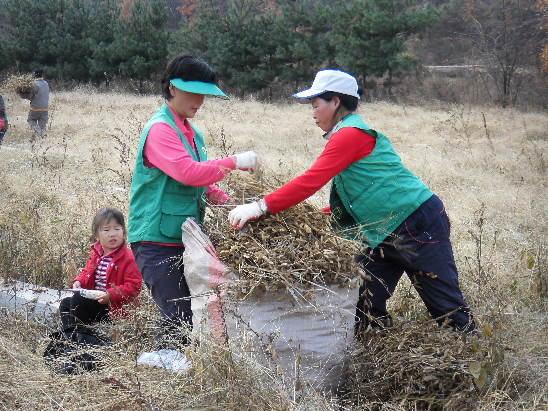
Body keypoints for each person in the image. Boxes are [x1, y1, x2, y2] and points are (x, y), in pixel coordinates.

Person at [228, 69, 475, 334]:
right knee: (362, 301)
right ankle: (376, 351)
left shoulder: (350, 134)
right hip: (383, 231)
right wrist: (316, 215)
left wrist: (260, 206)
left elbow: (311, 180)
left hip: (416, 222)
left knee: (446, 308)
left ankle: (471, 350)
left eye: (315, 105)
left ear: (335, 101)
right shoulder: (344, 134)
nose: (313, 113)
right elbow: (363, 190)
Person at [127, 55, 258, 347]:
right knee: (177, 315)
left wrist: (233, 205)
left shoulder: (190, 132)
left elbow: (203, 184)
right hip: (155, 238)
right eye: (194, 92)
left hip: (184, 236)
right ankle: (162, 366)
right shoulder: (160, 129)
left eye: (204, 94)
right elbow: (187, 173)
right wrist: (234, 162)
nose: (200, 100)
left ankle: (176, 363)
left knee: (191, 313)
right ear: (172, 88)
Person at [60, 207, 142, 330]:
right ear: (97, 235)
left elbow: (134, 287)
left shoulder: (129, 257)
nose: (112, 234)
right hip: (95, 301)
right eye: (106, 230)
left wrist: (110, 295)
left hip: (113, 307)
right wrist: (79, 281)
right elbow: (87, 271)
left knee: (77, 301)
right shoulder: (96, 253)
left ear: (123, 232)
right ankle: (72, 333)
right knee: (65, 304)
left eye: (117, 229)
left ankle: (84, 334)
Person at [19, 69, 49, 134]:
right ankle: (42, 136)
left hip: (35, 108)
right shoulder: (46, 83)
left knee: (30, 120)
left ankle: (39, 131)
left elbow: (30, 96)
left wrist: (21, 93)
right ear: (42, 75)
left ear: (35, 75)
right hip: (45, 108)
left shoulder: (34, 84)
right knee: (42, 126)